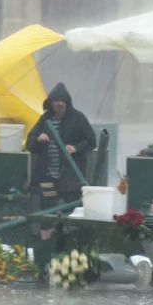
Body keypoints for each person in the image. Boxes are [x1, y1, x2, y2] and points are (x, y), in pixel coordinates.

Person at [26, 83, 96, 239]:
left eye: (63, 100)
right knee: (47, 215)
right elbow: (30, 143)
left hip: (70, 178)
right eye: (57, 100)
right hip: (48, 178)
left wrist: (75, 148)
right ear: (51, 103)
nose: (60, 103)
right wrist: (38, 140)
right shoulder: (45, 119)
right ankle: (46, 250)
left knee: (73, 216)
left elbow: (91, 140)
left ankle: (72, 250)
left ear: (67, 102)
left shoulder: (78, 118)